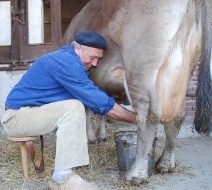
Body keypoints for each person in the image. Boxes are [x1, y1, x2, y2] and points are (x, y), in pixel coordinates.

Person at [1, 31, 136, 190]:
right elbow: (99, 102)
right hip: (17, 117)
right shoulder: (67, 63)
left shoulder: (69, 57)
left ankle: (66, 174)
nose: (95, 64)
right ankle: (62, 179)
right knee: (73, 107)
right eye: (92, 58)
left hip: (30, 112)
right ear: (78, 47)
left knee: (74, 105)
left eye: (98, 59)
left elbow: (95, 97)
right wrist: (135, 118)